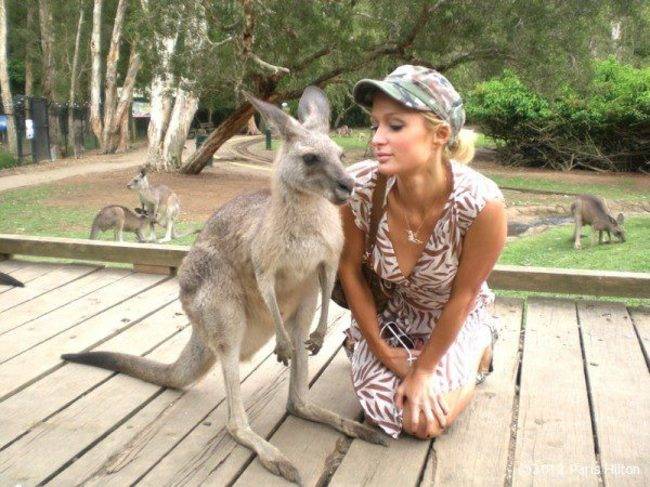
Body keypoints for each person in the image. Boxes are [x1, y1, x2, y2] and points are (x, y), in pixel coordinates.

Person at [338, 65, 507, 440]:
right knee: (387, 409)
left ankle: (481, 344)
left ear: (440, 135)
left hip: (453, 315)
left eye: (395, 126)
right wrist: (384, 352)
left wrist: (425, 370)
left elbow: (464, 295)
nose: (377, 139)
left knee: (422, 422)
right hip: (391, 313)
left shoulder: (481, 205)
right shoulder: (360, 189)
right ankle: (367, 347)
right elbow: (349, 271)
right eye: (375, 125)